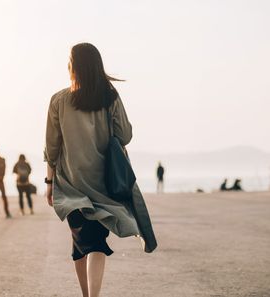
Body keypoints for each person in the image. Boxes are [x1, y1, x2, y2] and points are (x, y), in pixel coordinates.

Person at [45, 43, 157, 297]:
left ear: (73, 66)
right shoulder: (109, 96)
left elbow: (51, 148)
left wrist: (48, 183)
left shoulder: (58, 100)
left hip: (70, 185)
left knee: (83, 243)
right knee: (92, 242)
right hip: (103, 185)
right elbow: (125, 135)